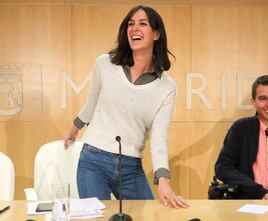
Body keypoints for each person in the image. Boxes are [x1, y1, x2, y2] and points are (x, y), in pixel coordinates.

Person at [63, 5, 189, 208]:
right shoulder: (105, 64)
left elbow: (159, 138)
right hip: (94, 160)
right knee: (98, 217)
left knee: (145, 216)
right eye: (130, 24)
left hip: (131, 168)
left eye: (142, 24)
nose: (134, 29)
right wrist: (74, 127)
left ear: (156, 34)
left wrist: (163, 179)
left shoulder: (167, 87)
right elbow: (92, 101)